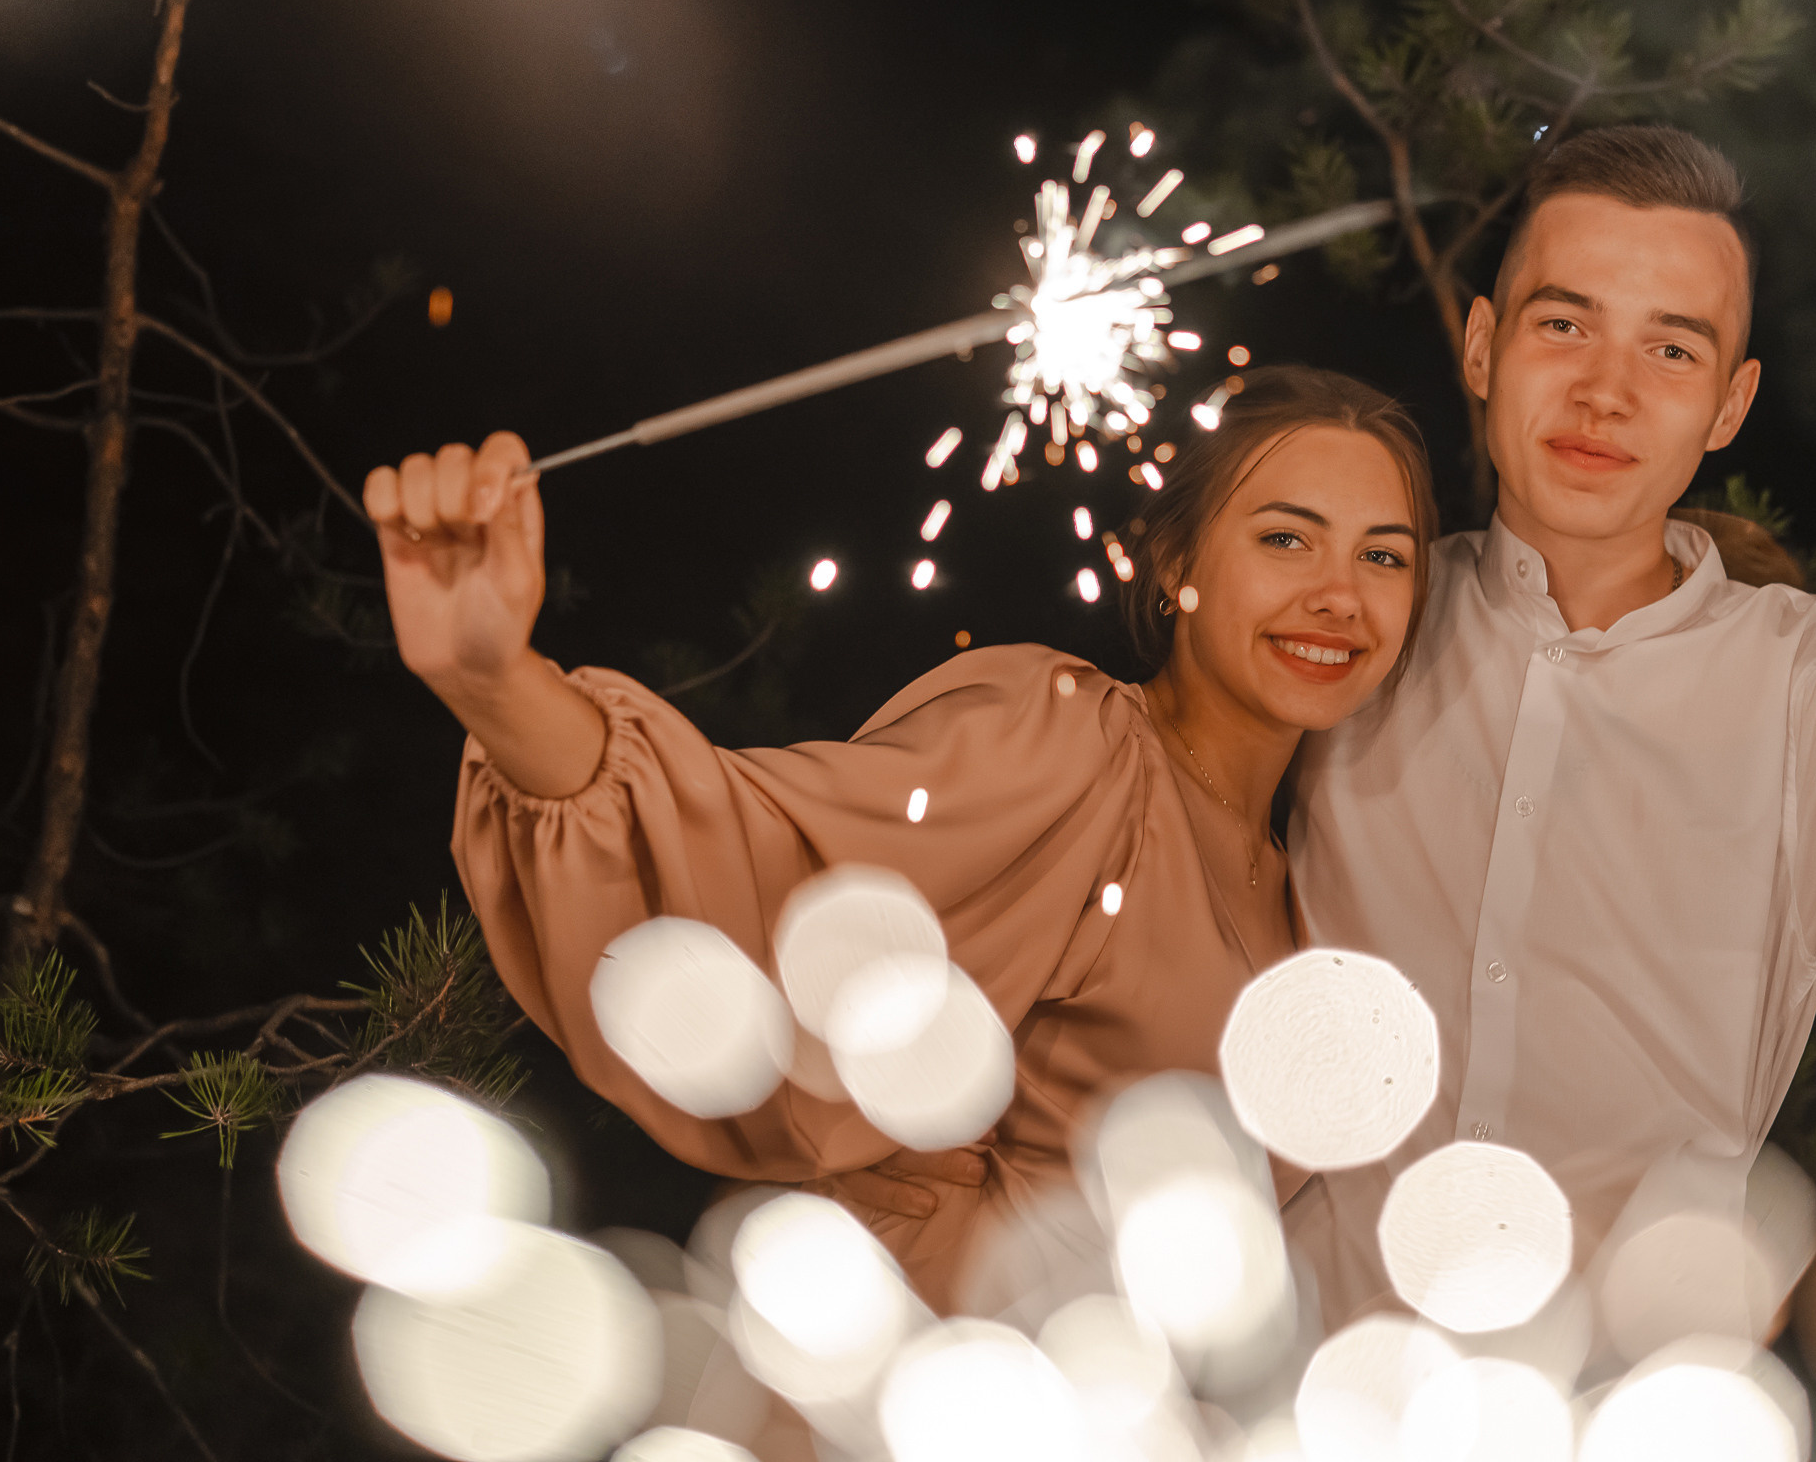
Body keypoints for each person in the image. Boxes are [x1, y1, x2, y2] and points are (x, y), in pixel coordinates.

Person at [362, 366, 1438, 1313]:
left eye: (1384, 557)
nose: (1337, 596)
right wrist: (495, 683)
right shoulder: (1072, 748)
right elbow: (767, 857)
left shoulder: (1310, 884)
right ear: (1173, 565)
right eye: (1286, 538)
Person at [1284, 125, 1816, 1325]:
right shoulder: (1356, 625)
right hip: (1301, 1387)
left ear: (1729, 404)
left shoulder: (1807, 679)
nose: (1607, 391)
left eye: (1671, 348)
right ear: (1484, 346)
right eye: (1565, 324)